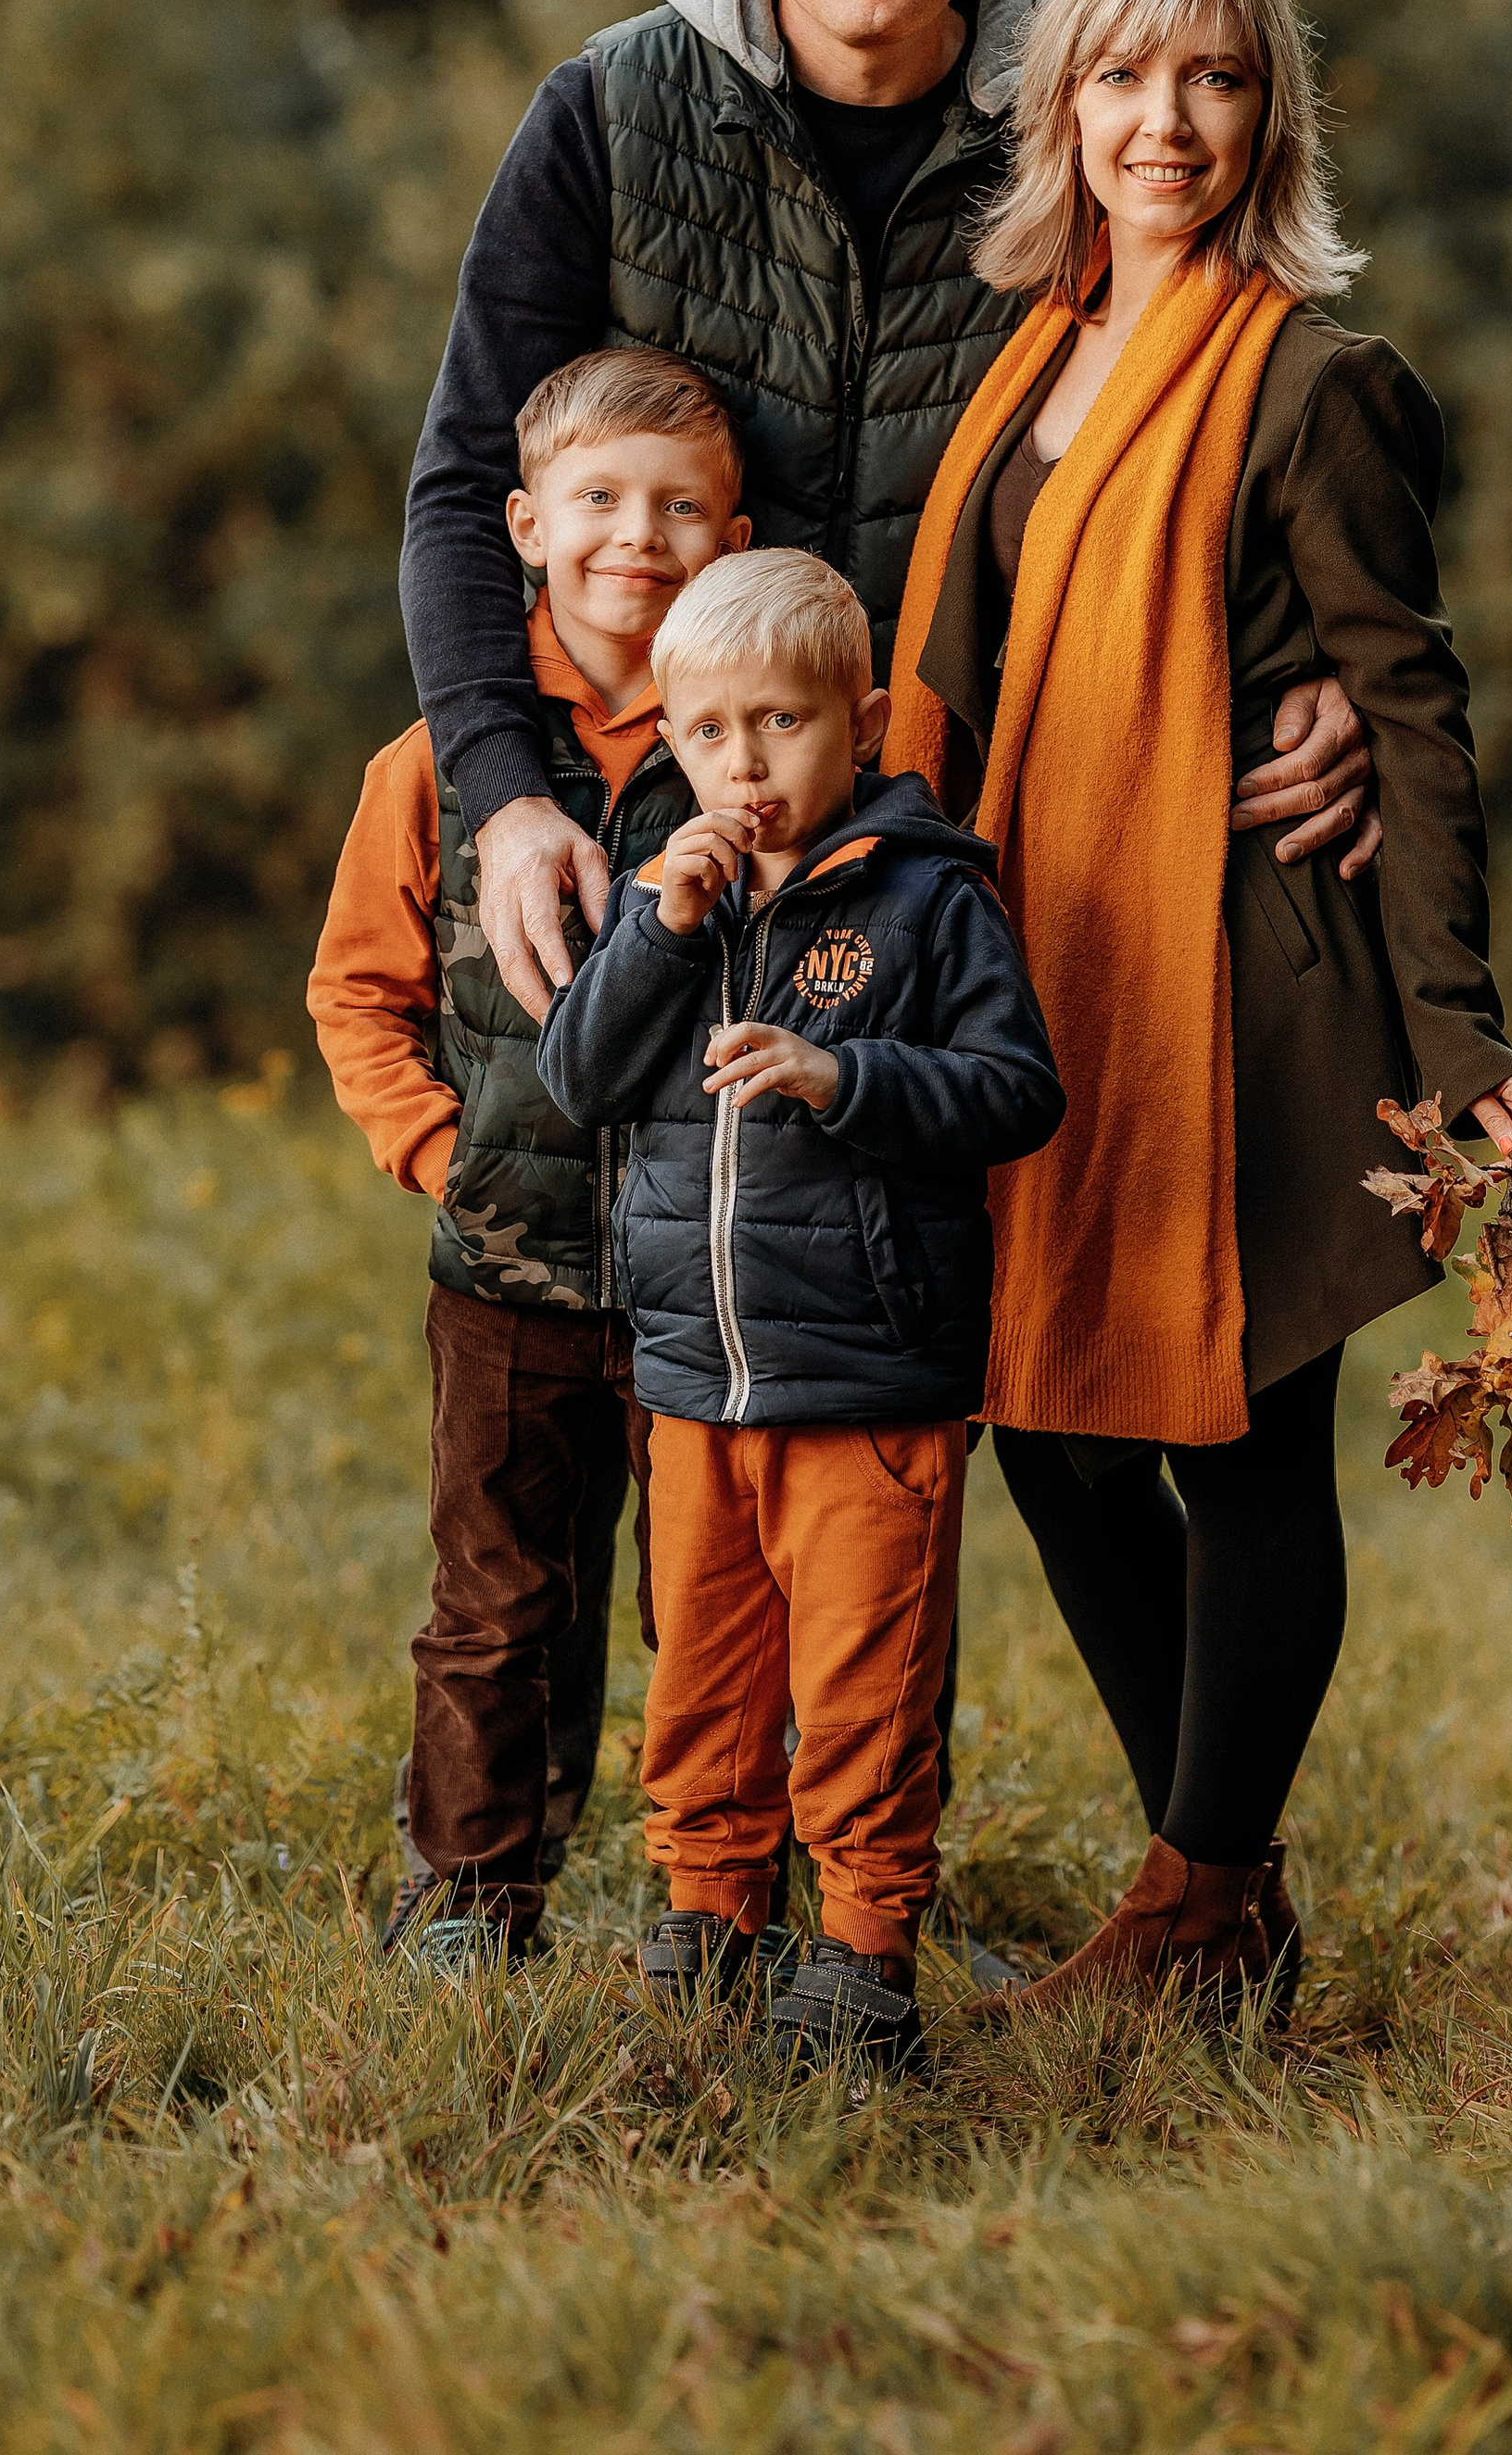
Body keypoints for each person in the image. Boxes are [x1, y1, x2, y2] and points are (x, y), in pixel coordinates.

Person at [398, 0, 1381, 1874]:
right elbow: (469, 475)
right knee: (567, 1340)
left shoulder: (1096, 90)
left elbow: (1253, 390)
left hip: (973, 853)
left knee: (901, 1377)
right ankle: (510, 1874)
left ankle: (880, 1900)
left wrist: (1314, 670)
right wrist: (512, 790)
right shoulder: (615, 109)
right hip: (639, 820)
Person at [886, 0, 1512, 2014]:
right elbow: (964, 682)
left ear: (1267, 113)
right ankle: (1219, 1890)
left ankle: (1193, 1898)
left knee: (1236, 1433)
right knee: (1044, 1420)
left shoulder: (1318, 382)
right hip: (1036, 967)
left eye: (1210, 79)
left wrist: (1453, 1026)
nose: (1157, 121)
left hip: (1243, 984)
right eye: (1116, 75)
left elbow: (1411, 706)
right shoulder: (1026, 358)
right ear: (1055, 105)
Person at [537, 549, 1063, 2075]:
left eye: (780, 724)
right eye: (708, 733)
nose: (744, 764)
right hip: (695, 1376)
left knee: (860, 1683)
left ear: (864, 722)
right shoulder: (676, 890)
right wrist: (659, 926)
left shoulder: (926, 899)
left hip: (868, 1380)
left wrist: (845, 1077)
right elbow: (580, 1078)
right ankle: (709, 1910)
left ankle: (861, 1948)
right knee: (701, 1666)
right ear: (672, 737)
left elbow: (1017, 1091)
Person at [309, 346, 749, 1967]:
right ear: (523, 524)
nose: (640, 535)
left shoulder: (767, 739)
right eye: (601, 501)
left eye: (681, 507)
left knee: (716, 1608)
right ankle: (474, 1895)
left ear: (735, 531)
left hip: (721, 1277)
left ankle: (725, 1906)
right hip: (509, 1280)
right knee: (501, 1608)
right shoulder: (443, 763)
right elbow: (357, 990)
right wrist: (442, 1157)